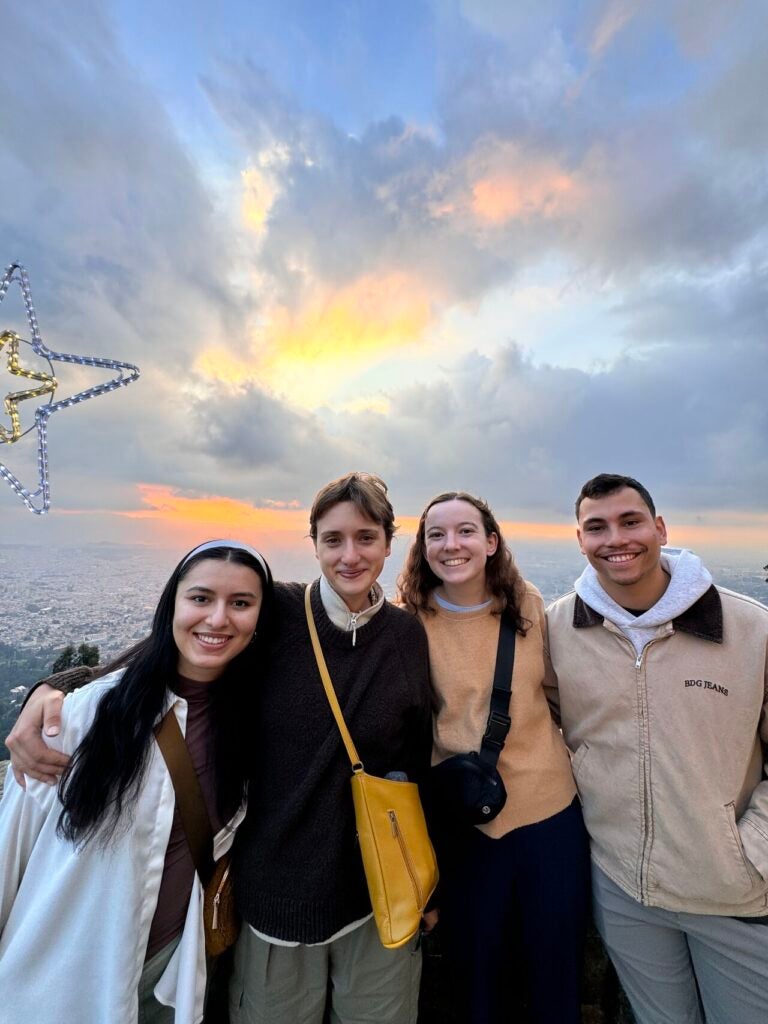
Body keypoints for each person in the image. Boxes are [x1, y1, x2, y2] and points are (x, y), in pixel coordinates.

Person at [6, 473, 433, 1024]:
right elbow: (169, 650)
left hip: (378, 891)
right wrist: (55, 689)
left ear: (389, 541)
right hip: (276, 895)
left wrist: (427, 877)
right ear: (314, 544)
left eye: (366, 537)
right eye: (333, 539)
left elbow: (415, 758)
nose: (350, 555)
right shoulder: (278, 611)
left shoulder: (405, 636)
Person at [0, 539, 275, 1024]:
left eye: (240, 603)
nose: (217, 619)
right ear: (171, 604)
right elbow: (12, 847)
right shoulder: (88, 712)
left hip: (166, 971)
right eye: (200, 598)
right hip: (62, 973)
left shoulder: (249, 720)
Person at [545, 473, 768, 1024]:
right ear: (580, 541)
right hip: (624, 892)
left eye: (630, 521)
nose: (615, 538)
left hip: (733, 894)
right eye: (596, 527)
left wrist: (753, 853)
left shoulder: (749, 628)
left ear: (660, 528)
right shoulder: (559, 630)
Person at [398, 491, 590, 1024]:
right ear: (422, 548)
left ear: (490, 542)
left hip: (546, 811)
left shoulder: (525, 605)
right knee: (474, 973)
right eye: (436, 534)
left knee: (556, 967)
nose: (450, 544)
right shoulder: (410, 621)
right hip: (463, 823)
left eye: (464, 531)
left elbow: (556, 693)